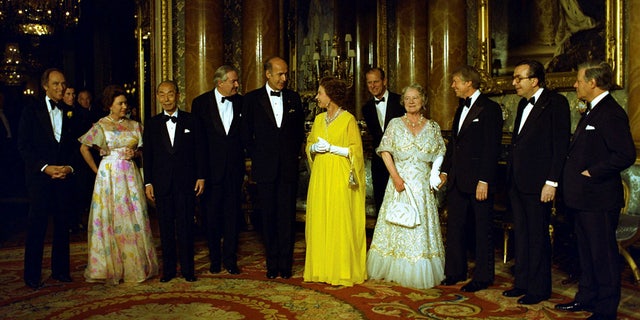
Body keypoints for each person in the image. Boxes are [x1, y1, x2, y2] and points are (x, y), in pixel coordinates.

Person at [554, 61, 636, 320]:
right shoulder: (591, 111)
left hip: (599, 198)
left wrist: (593, 172)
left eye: (579, 80)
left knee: (603, 256)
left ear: (593, 82)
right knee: (586, 253)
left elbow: (625, 154)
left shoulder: (611, 112)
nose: (575, 84)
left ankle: (605, 310)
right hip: (582, 198)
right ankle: (586, 298)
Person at [502, 60, 571, 304]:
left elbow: (560, 145)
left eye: (518, 78)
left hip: (540, 184)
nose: (514, 83)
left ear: (535, 80)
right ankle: (521, 283)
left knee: (537, 236)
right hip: (518, 182)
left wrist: (551, 182)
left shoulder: (556, 103)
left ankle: (539, 289)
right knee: (522, 235)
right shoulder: (522, 105)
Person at [366, 83, 446, 289]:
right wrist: (396, 178)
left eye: (415, 98)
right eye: (407, 98)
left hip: (422, 187)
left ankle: (418, 269)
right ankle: (393, 267)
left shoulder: (433, 127)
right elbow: (385, 151)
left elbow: (440, 152)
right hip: (399, 184)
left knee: (419, 228)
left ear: (423, 101)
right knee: (396, 224)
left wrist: (436, 174)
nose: (411, 102)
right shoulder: (394, 124)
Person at [78, 84, 158, 284]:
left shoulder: (135, 126)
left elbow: (144, 151)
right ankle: (106, 266)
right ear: (110, 105)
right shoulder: (101, 126)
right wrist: (98, 170)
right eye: (120, 103)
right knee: (110, 217)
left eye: (125, 103)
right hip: (109, 176)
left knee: (133, 217)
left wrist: (135, 153)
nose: (124, 107)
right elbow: (84, 149)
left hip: (130, 176)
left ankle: (134, 264)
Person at [439, 65, 503, 292]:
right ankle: (455, 272)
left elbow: (491, 148)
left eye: (455, 81)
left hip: (478, 182)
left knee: (481, 229)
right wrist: (445, 171)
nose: (452, 85)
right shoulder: (459, 109)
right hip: (457, 180)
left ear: (469, 83)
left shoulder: (490, 108)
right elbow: (454, 146)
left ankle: (483, 277)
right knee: (455, 227)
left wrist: (484, 180)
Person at [241, 56, 305, 279]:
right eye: (280, 74)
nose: (284, 78)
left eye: (286, 74)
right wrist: (259, 156)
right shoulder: (251, 100)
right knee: (267, 217)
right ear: (267, 74)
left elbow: (298, 134)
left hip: (288, 168)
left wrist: (291, 155)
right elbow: (246, 135)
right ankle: (272, 264)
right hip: (265, 168)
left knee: (287, 217)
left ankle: (285, 265)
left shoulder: (293, 98)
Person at [17, 68, 80, 289]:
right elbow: (24, 147)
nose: (61, 88)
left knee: (63, 226)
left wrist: (69, 168)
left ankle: (61, 271)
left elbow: (75, 147)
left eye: (63, 84)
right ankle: (32, 275)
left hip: (63, 178)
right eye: (55, 84)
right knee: (37, 227)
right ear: (45, 86)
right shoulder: (31, 110)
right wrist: (45, 168)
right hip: (40, 180)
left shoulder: (71, 111)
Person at [304, 76, 367, 286]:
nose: (317, 97)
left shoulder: (348, 119)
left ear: (330, 96)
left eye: (320, 93)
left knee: (339, 220)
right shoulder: (319, 120)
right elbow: (310, 144)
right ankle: (321, 270)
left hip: (339, 176)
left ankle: (340, 270)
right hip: (320, 176)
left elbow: (356, 151)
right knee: (321, 219)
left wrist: (333, 148)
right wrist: (313, 148)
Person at [143, 81, 206, 282]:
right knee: (166, 229)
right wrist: (148, 182)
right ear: (158, 97)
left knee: (186, 227)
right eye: (162, 94)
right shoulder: (151, 124)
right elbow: (149, 157)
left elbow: (200, 151)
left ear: (177, 95)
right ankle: (168, 271)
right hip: (162, 184)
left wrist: (201, 176)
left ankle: (188, 270)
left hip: (186, 183)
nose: (166, 98)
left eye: (170, 94)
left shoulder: (191, 121)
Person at [191, 65, 245, 275]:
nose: (237, 85)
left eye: (237, 80)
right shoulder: (200, 103)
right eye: (233, 81)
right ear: (219, 82)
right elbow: (198, 143)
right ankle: (215, 259)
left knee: (232, 216)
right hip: (210, 172)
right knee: (211, 216)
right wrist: (200, 174)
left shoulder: (241, 102)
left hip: (234, 170)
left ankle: (230, 260)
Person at [361, 68, 405, 213]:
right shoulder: (366, 108)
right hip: (378, 162)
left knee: (401, 201)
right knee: (380, 201)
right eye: (369, 83)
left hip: (400, 161)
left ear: (384, 81)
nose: (373, 86)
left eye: (376, 82)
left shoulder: (400, 101)